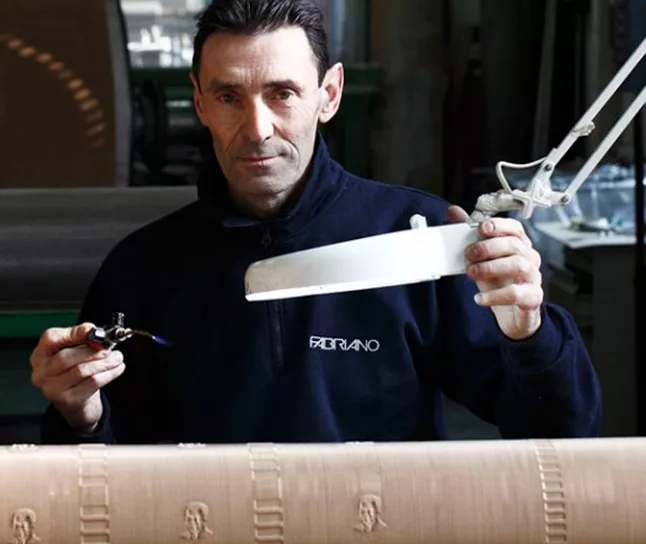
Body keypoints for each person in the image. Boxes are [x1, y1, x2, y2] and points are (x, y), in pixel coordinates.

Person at [31, 0, 601, 445]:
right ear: (200, 103)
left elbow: (562, 433)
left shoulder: (419, 237)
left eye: (282, 94)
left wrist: (529, 331)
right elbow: (97, 481)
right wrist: (79, 414)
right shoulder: (141, 269)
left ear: (329, 94)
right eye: (229, 97)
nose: (257, 129)